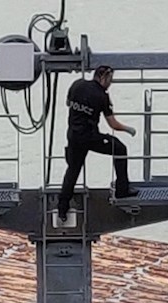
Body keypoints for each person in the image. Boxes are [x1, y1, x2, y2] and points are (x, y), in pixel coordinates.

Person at [57, 65, 139, 222]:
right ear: (103, 77)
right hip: (90, 137)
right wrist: (129, 129)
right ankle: (122, 190)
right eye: (110, 80)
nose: (111, 83)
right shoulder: (102, 96)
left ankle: (62, 208)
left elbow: (68, 103)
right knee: (120, 148)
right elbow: (113, 124)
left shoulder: (77, 84)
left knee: (73, 170)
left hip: (73, 135)